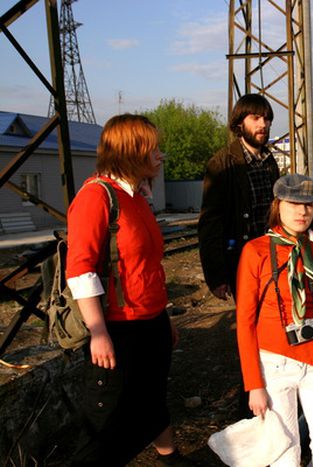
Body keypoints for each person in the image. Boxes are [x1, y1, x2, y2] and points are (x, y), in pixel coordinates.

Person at [66, 115, 191, 466]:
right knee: (104, 416)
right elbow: (80, 269)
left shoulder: (134, 196)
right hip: (118, 326)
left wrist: (164, 317)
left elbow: (148, 267)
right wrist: (98, 332)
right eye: (152, 148)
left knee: (152, 396)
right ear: (130, 151)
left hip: (150, 321)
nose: (160, 155)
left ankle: (170, 456)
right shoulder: (97, 196)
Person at [236, 174, 313, 466]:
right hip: (274, 363)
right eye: (294, 203)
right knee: (285, 455)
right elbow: (245, 321)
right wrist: (253, 384)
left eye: (309, 204)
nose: (302, 212)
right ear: (278, 205)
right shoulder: (255, 251)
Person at [198, 93, 279, 301]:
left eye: (266, 118)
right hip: (241, 260)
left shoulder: (269, 161)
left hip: (272, 258)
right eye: (255, 118)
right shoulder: (222, 163)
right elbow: (210, 222)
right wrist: (216, 276)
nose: (263, 124)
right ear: (239, 123)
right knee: (249, 321)